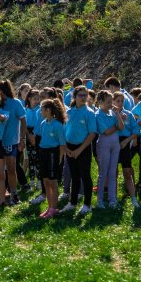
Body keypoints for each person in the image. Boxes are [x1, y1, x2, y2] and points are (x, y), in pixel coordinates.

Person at [61, 86, 97, 214]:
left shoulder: (89, 113)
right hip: (70, 148)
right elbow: (64, 131)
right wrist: (66, 147)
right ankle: (73, 203)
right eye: (80, 95)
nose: (83, 98)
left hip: (84, 148)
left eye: (85, 95)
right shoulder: (69, 112)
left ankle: (87, 205)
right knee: (74, 176)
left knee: (85, 176)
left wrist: (79, 150)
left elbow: (92, 134)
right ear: (74, 97)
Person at [0, 81, 27, 206]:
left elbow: (23, 121)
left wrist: (22, 139)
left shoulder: (15, 103)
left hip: (11, 141)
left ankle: (14, 195)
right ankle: (0, 193)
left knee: (11, 169)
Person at [36, 98, 67, 218]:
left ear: (48, 110)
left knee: (53, 182)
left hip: (53, 154)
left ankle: (54, 208)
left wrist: (59, 158)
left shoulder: (58, 125)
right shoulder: (43, 123)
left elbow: (62, 143)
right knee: (46, 181)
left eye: (42, 110)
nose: (40, 112)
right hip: (43, 153)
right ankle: (49, 207)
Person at [94, 91, 124, 208]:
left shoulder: (112, 113)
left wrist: (117, 115)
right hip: (103, 145)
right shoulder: (98, 115)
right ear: (100, 102)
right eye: (108, 102)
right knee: (103, 173)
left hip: (115, 145)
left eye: (111, 102)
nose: (111, 105)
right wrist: (115, 127)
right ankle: (100, 200)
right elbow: (106, 131)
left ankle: (112, 200)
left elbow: (121, 128)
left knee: (112, 173)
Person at [113, 91, 140, 208]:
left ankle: (133, 198)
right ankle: (113, 198)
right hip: (113, 143)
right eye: (117, 101)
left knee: (127, 172)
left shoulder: (129, 114)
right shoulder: (110, 114)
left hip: (124, 144)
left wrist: (126, 141)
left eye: (122, 101)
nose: (120, 103)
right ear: (113, 102)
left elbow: (136, 131)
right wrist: (120, 119)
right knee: (113, 173)